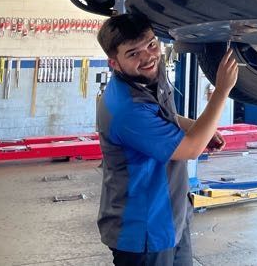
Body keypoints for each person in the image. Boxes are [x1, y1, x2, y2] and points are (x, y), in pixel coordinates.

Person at [95, 13, 238, 265]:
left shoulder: (146, 78)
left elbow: (166, 115)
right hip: (144, 231)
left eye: (151, 44)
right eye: (133, 53)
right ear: (114, 63)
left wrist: (196, 126)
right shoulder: (127, 110)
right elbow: (192, 149)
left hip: (172, 218)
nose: (148, 57)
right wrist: (222, 90)